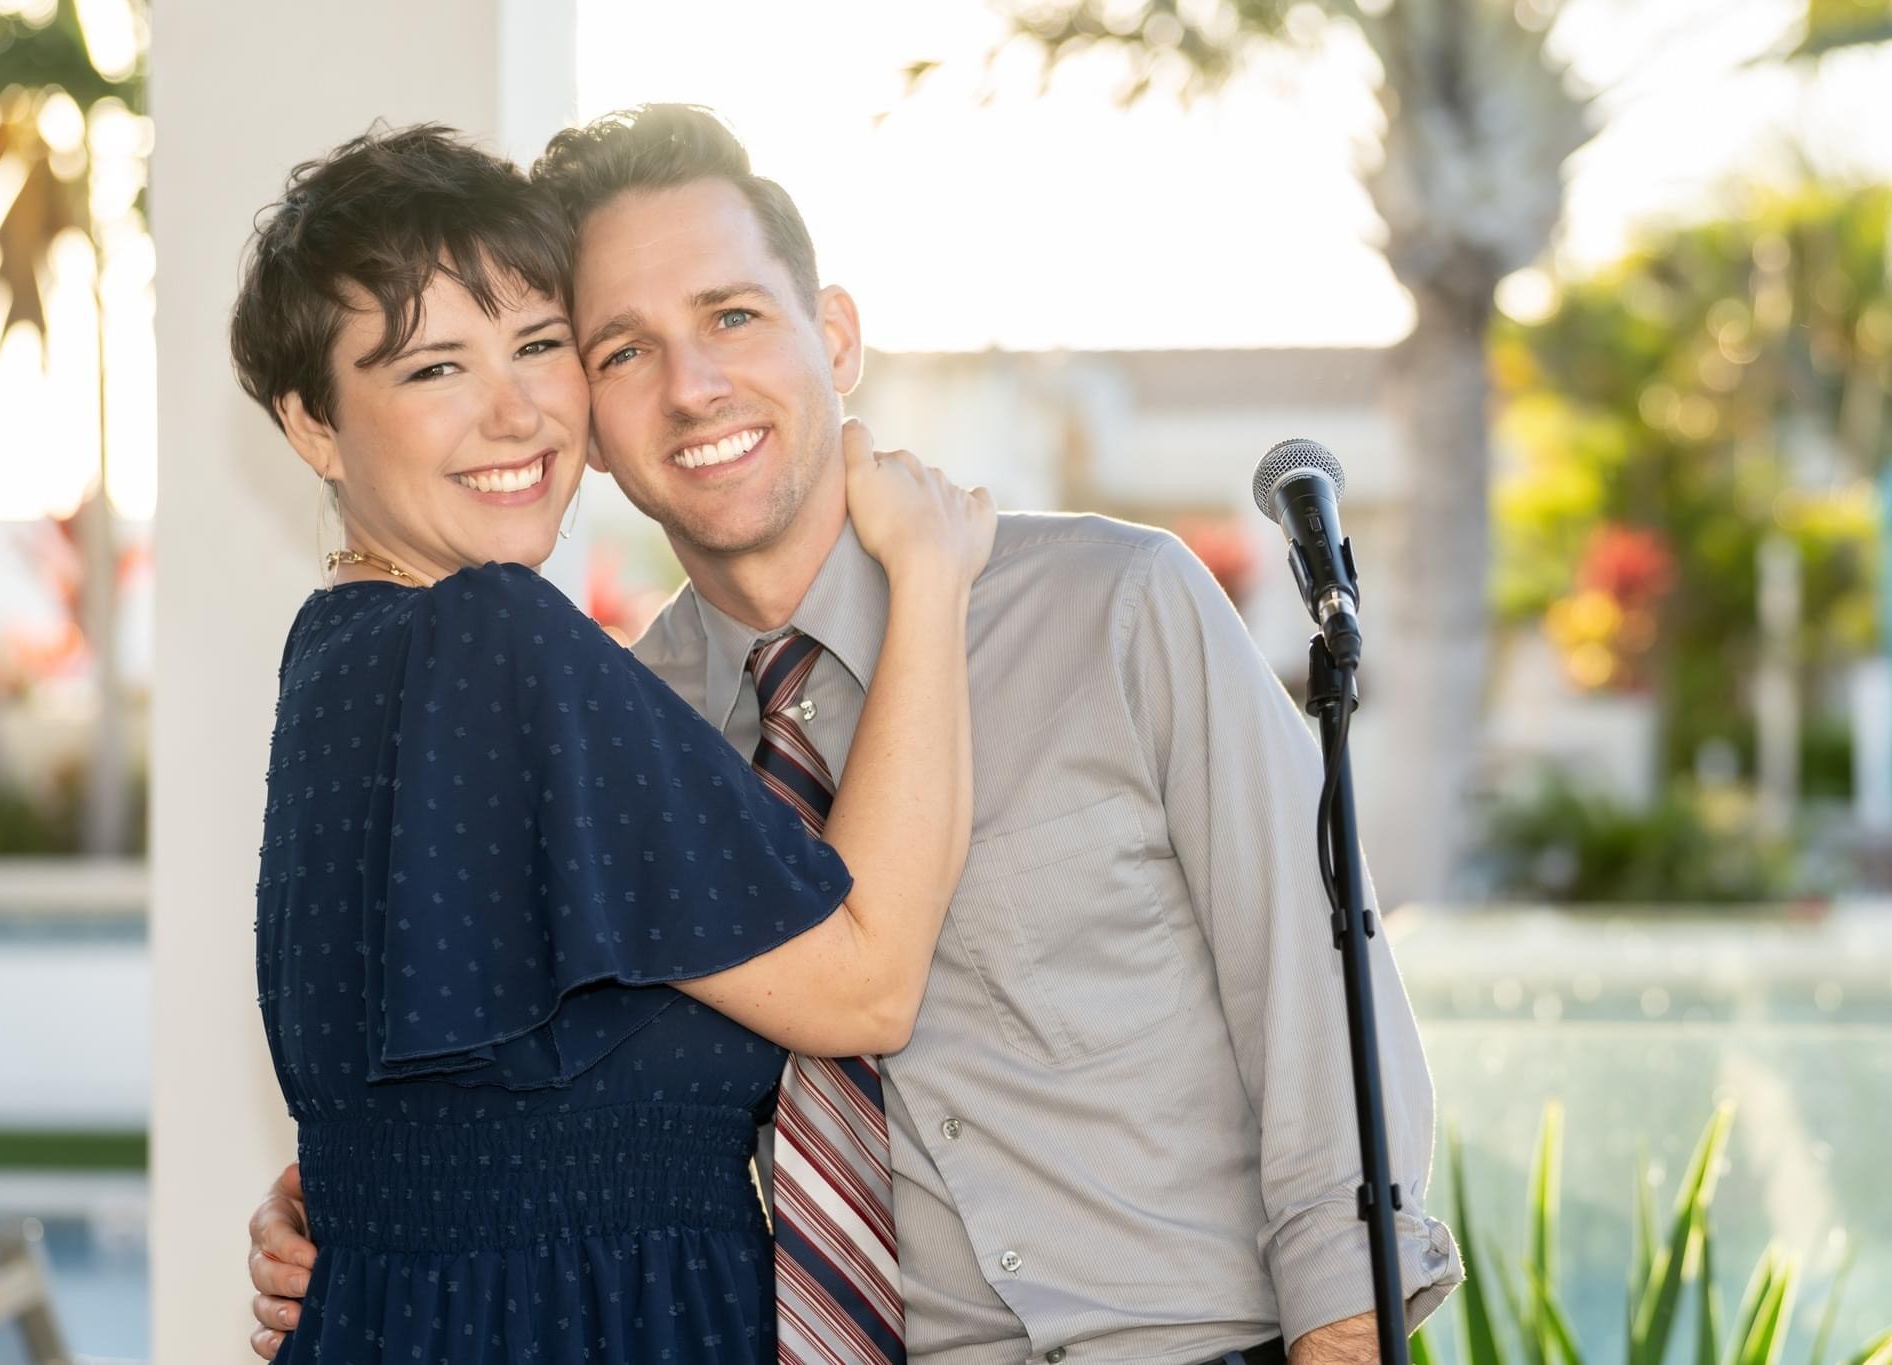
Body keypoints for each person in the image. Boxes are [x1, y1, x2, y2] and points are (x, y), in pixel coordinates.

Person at [251, 106, 1464, 1365]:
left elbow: (1324, 1025)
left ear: (833, 336)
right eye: (619, 351)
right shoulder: (610, 725)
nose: (693, 385)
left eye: (732, 316)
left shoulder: (1114, 606)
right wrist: (354, 1209)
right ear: (592, 414)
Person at [232, 124, 996, 1365]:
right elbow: (866, 984)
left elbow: (439, 1118)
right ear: (314, 426)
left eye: (539, 346)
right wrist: (930, 577)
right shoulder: (495, 638)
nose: (516, 410)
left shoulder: (337, 661)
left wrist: (328, 1205)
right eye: (433, 370)